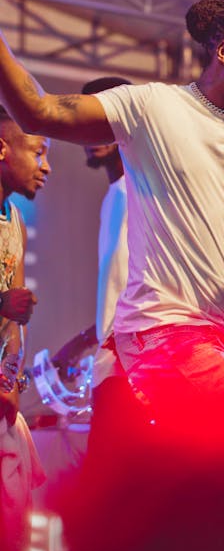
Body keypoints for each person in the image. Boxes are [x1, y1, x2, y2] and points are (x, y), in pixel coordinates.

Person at [0, 0, 224, 435]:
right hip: (163, 331)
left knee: (211, 480)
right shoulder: (153, 107)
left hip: (218, 337)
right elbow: (39, 111)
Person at [51, 76, 131, 392]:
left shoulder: (141, 195)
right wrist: (85, 341)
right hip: (112, 368)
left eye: (103, 120)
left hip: (133, 371)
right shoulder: (115, 196)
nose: (90, 133)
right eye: (86, 121)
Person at [0, 107, 50, 551]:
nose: (46, 166)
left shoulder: (14, 220)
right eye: (38, 151)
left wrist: (11, 380)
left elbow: (15, 320)